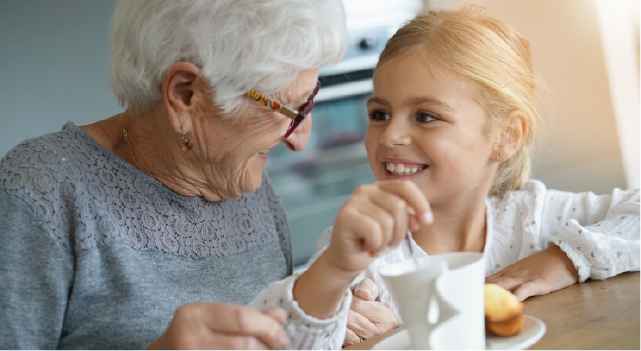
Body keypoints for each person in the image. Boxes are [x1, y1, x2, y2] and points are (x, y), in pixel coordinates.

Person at [249, 4, 640, 348]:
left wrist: (565, 260)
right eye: (379, 114)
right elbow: (274, 333)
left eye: (426, 116)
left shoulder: (535, 218)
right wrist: (334, 307)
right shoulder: (360, 250)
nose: (391, 135)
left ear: (505, 136)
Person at [0, 0, 348, 349]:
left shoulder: (249, 184)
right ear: (185, 95)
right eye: (291, 109)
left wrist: (328, 316)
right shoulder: (39, 192)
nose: (301, 140)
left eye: (310, 99)